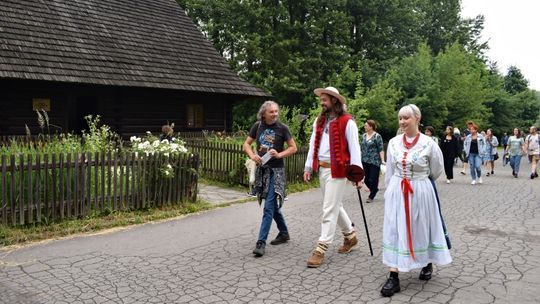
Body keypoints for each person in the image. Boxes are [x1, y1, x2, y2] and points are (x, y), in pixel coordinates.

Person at [380, 104, 451, 297]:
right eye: (400, 118)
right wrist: (389, 192)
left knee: (420, 226)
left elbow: (436, 170)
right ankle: (393, 276)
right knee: (394, 228)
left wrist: (419, 184)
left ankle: (426, 261)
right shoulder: (394, 143)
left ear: (417, 119)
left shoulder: (429, 144)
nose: (402, 122)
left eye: (406, 118)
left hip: (420, 190)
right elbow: (391, 170)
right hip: (397, 189)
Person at [303, 86, 363, 268]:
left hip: (338, 170)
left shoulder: (348, 122)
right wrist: (308, 166)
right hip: (322, 168)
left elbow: (355, 149)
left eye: (324, 99)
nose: (321, 102)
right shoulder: (319, 121)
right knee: (336, 206)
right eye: (320, 99)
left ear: (334, 100)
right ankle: (350, 236)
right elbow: (313, 144)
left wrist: (358, 175)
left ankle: (321, 248)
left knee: (328, 208)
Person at [242, 100, 297, 257]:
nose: (275, 114)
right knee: (272, 206)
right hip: (262, 171)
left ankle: (261, 243)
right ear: (264, 113)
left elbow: (294, 147)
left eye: (276, 111)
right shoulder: (257, 126)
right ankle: (284, 233)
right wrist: (253, 155)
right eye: (271, 112)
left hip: (276, 172)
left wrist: (279, 154)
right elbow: (246, 144)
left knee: (268, 207)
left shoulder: (283, 128)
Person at [361, 120, 385, 203]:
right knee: (366, 179)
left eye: (366, 125)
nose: (364, 127)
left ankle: (371, 196)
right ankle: (374, 189)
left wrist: (382, 160)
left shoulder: (377, 136)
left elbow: (381, 149)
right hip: (364, 160)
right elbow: (362, 148)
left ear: (371, 126)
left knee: (373, 178)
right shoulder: (363, 136)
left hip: (374, 161)